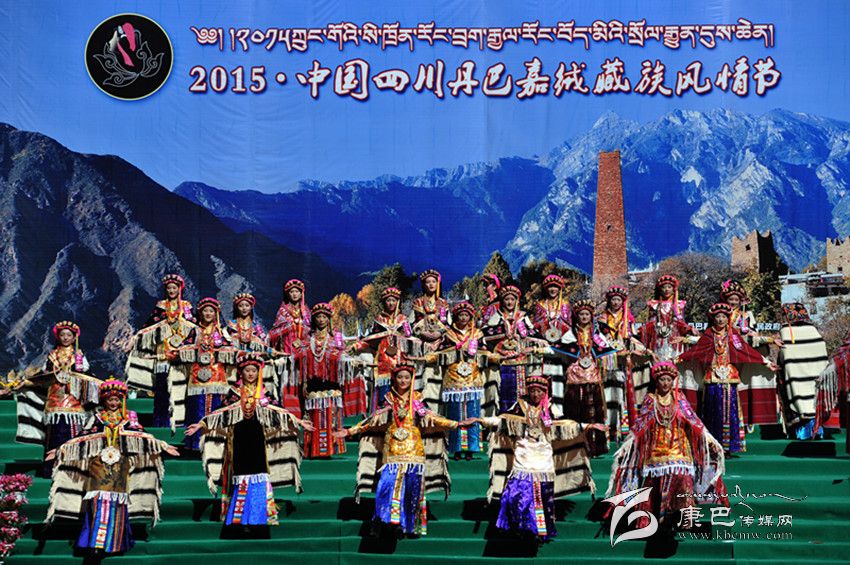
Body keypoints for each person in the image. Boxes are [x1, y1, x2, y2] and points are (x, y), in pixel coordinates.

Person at [46, 379, 179, 554]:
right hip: (97, 465)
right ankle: (96, 542)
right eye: (110, 400)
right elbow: (82, 437)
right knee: (97, 499)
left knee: (117, 501)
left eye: (117, 400)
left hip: (120, 466)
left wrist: (162, 446)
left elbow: (142, 435)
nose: (114, 403)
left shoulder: (129, 418)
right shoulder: (96, 417)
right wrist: (60, 450)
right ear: (104, 400)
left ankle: (114, 542)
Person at [186, 357, 310, 528]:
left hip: (258, 440)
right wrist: (201, 424)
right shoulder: (234, 392)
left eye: (254, 371)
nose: (251, 374)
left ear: (258, 373)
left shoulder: (264, 393)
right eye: (247, 371)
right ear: (241, 373)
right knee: (240, 475)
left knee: (260, 472)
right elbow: (220, 412)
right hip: (238, 439)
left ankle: (260, 516)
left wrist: (298, 421)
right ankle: (240, 517)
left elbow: (279, 411)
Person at [334, 364, 457, 538]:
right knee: (386, 485)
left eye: (407, 377)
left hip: (414, 451)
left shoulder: (418, 399)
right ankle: (382, 521)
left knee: (412, 489)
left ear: (412, 379)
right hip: (392, 451)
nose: (403, 381)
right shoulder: (387, 399)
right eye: (400, 377)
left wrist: (456, 424)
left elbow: (433, 418)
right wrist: (349, 431)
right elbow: (372, 421)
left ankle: (406, 525)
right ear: (394, 379)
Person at [606, 362, 728, 532]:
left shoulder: (680, 399)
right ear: (656, 382)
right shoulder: (650, 400)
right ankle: (650, 521)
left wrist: (708, 438)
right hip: (656, 450)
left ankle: (684, 517)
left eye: (668, 380)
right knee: (653, 484)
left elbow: (693, 421)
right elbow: (640, 425)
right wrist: (627, 445)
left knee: (683, 480)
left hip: (679, 449)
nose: (665, 383)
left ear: (673, 382)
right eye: (662, 380)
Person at [478, 374, 600, 543]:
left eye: (539, 391)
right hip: (523, 456)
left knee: (542, 498)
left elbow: (566, 425)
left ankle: (538, 531)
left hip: (543, 459)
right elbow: (502, 420)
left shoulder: (550, 409)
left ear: (545, 392)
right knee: (516, 495)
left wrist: (589, 426)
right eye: (532, 391)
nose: (535, 395)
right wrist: (481, 420)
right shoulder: (519, 406)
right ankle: (521, 528)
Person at [4, 321, 101, 477]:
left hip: (73, 401)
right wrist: (26, 383)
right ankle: (51, 468)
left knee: (73, 433)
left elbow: (86, 374)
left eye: (69, 335)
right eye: (62, 335)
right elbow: (43, 376)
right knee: (54, 434)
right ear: (58, 337)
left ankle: (72, 468)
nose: (65, 338)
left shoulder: (79, 356)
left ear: (74, 338)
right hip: (54, 400)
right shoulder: (52, 356)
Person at [678, 303, 777, 454]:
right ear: (713, 319)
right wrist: (677, 359)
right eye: (718, 316)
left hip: (730, 378)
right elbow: (695, 350)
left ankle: (729, 446)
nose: (720, 319)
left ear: (728, 319)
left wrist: (767, 362)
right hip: (712, 378)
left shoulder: (733, 336)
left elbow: (747, 351)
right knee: (712, 412)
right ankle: (712, 446)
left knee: (730, 412)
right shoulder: (708, 336)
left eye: (724, 316)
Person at [422, 301, 495, 460]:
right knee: (455, 414)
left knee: (472, 413)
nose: (463, 318)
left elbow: (485, 352)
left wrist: (495, 357)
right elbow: (440, 352)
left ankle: (471, 449)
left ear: (470, 317)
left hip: (472, 378)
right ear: (455, 316)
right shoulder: (448, 334)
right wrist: (428, 357)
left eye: (466, 315)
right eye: (460, 315)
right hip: (453, 377)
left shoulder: (477, 334)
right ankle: (455, 448)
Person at [125, 274, 198, 428]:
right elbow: (149, 326)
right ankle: (161, 424)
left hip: (181, 355)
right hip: (163, 354)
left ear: (180, 289)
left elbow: (194, 327)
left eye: (174, 288)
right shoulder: (161, 306)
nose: (171, 291)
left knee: (182, 390)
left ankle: (182, 424)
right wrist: (136, 338)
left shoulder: (186, 307)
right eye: (169, 288)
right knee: (162, 391)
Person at [167, 297, 238, 450]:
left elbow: (231, 349)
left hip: (217, 377)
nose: (208, 313)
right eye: (205, 311)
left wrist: (224, 351)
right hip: (197, 377)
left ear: (216, 313)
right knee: (196, 408)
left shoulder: (222, 332)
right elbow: (183, 346)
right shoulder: (195, 331)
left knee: (216, 409)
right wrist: (177, 352)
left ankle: (216, 443)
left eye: (211, 311)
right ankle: (195, 444)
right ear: (200, 313)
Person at [293, 303, 358, 458]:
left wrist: (349, 360)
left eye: (324, 317)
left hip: (331, 384)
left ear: (329, 319)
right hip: (313, 384)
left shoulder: (336, 339)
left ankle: (331, 448)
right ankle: (313, 449)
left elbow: (343, 356)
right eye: (318, 317)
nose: (321, 320)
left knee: (332, 417)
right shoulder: (307, 339)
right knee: (314, 418)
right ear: (314, 320)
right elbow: (298, 357)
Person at [555, 299, 615, 457]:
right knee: (575, 408)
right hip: (575, 375)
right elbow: (563, 347)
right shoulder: (570, 334)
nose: (584, 317)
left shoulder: (596, 334)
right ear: (577, 316)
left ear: (591, 316)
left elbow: (606, 348)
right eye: (581, 314)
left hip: (592, 375)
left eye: (587, 314)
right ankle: (575, 445)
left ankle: (594, 446)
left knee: (593, 410)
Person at [719, 280, 782, 428]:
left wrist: (760, 336)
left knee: (743, 384)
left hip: (742, 351)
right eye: (731, 299)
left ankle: (745, 420)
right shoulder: (720, 314)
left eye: (736, 300)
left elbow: (753, 333)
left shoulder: (747, 314)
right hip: (723, 353)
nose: (733, 302)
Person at [638, 274, 700, 408]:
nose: (666, 290)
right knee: (658, 370)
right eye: (664, 287)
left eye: (669, 287)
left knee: (675, 370)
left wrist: (689, 329)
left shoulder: (679, 305)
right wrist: (642, 330)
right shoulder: (653, 305)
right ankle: (657, 404)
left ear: (674, 289)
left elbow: (681, 323)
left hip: (674, 343)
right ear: (659, 290)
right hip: (658, 342)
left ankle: (676, 404)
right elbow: (650, 323)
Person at [596, 285, 647, 442]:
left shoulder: (627, 318)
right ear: (609, 301)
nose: (616, 302)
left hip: (624, 359)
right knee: (609, 391)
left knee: (624, 392)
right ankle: (609, 427)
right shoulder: (603, 317)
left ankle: (623, 428)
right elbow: (600, 337)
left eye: (618, 300)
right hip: (608, 357)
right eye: (613, 300)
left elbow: (631, 337)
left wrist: (640, 350)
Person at [350, 287, 413, 411]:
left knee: (401, 387)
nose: (391, 303)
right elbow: (371, 339)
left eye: (393, 300)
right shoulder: (379, 320)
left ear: (398, 302)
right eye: (388, 300)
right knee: (383, 391)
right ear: (384, 302)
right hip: (384, 359)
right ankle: (382, 415)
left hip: (401, 358)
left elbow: (410, 337)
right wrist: (356, 346)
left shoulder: (403, 320)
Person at [481, 285, 540, 414]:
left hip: (520, 360)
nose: (509, 302)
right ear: (502, 301)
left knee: (521, 389)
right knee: (503, 389)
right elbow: (486, 334)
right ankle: (504, 416)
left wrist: (523, 338)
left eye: (512, 299)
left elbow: (534, 334)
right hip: (503, 359)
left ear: (516, 301)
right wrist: (503, 332)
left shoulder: (522, 316)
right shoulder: (497, 316)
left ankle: (521, 415)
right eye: (506, 299)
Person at [777, 303, 829, 440]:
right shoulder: (813, 330)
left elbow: (785, 354)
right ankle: (817, 430)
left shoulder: (786, 331)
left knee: (799, 398)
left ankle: (803, 431)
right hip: (814, 372)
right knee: (813, 397)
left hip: (796, 374)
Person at [531, 274, 573, 415]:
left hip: (561, 347)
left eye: (555, 287)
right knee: (545, 378)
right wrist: (545, 328)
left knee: (560, 379)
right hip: (545, 345)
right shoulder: (540, 305)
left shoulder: (565, 304)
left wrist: (561, 330)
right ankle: (545, 410)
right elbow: (535, 325)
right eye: (550, 287)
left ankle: (560, 411)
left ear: (560, 289)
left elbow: (569, 324)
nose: (553, 289)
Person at [268, 279, 311, 417]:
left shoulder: (306, 311)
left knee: (304, 384)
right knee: (289, 384)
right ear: (287, 294)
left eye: (297, 291)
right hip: (288, 354)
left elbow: (311, 331)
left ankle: (306, 413)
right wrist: (288, 326)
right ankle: (291, 415)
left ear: (301, 294)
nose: (294, 294)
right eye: (291, 292)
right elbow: (273, 333)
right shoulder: (283, 311)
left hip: (304, 353)